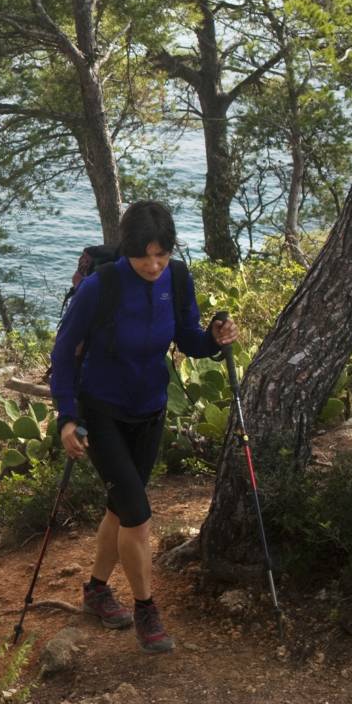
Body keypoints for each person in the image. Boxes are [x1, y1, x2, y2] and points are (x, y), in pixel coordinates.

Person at [50, 201, 239, 653]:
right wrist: (67, 417)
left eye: (162, 253)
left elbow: (187, 339)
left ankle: (96, 590)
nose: (154, 264)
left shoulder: (177, 277)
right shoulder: (102, 286)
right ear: (128, 249)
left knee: (120, 508)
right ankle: (146, 609)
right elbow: (63, 352)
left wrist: (213, 340)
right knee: (136, 512)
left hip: (151, 409)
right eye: (144, 255)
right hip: (103, 412)